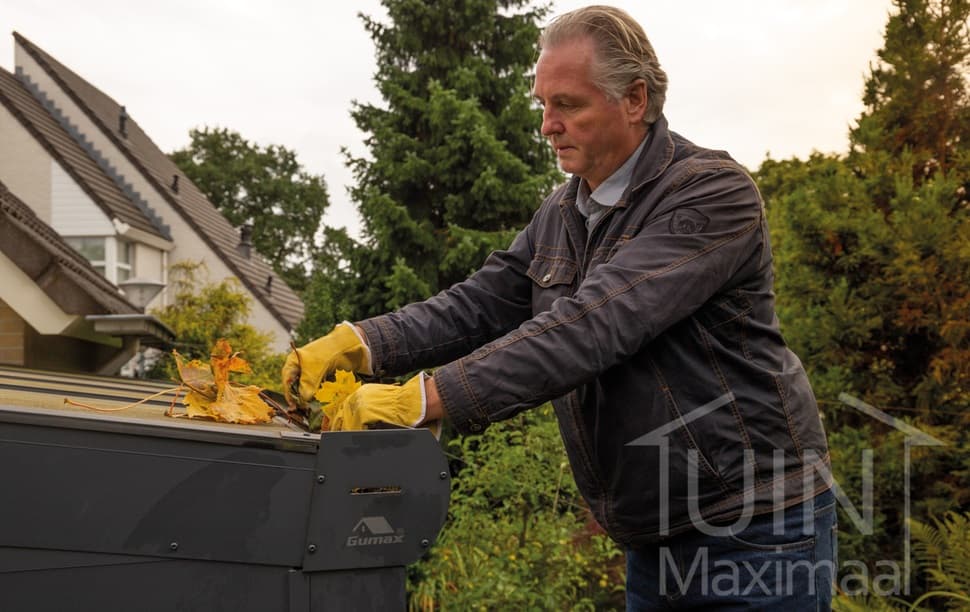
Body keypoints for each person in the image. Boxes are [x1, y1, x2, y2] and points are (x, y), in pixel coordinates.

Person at [283, 5, 836, 609]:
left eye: (567, 105)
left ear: (635, 99)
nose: (548, 125)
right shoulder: (564, 210)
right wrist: (361, 341)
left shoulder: (710, 194)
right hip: (652, 534)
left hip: (756, 527)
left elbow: (593, 326)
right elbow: (479, 304)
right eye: (542, 105)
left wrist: (422, 398)